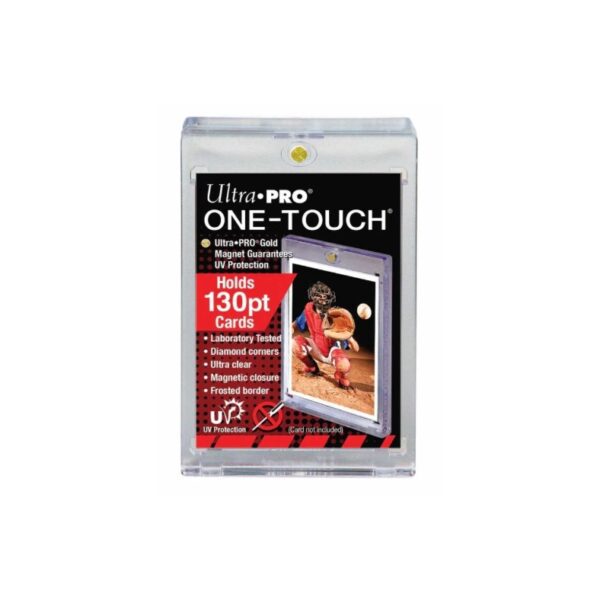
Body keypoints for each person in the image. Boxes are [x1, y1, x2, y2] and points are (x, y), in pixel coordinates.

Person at [291, 281, 359, 390]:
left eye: (325, 297)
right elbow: (295, 324)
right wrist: (290, 328)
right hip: (316, 348)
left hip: (332, 352)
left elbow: (355, 346)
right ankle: (311, 367)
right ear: (313, 297)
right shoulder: (308, 310)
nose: (323, 300)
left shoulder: (335, 316)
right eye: (320, 297)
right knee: (294, 343)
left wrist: (351, 339)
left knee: (344, 365)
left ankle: (340, 375)